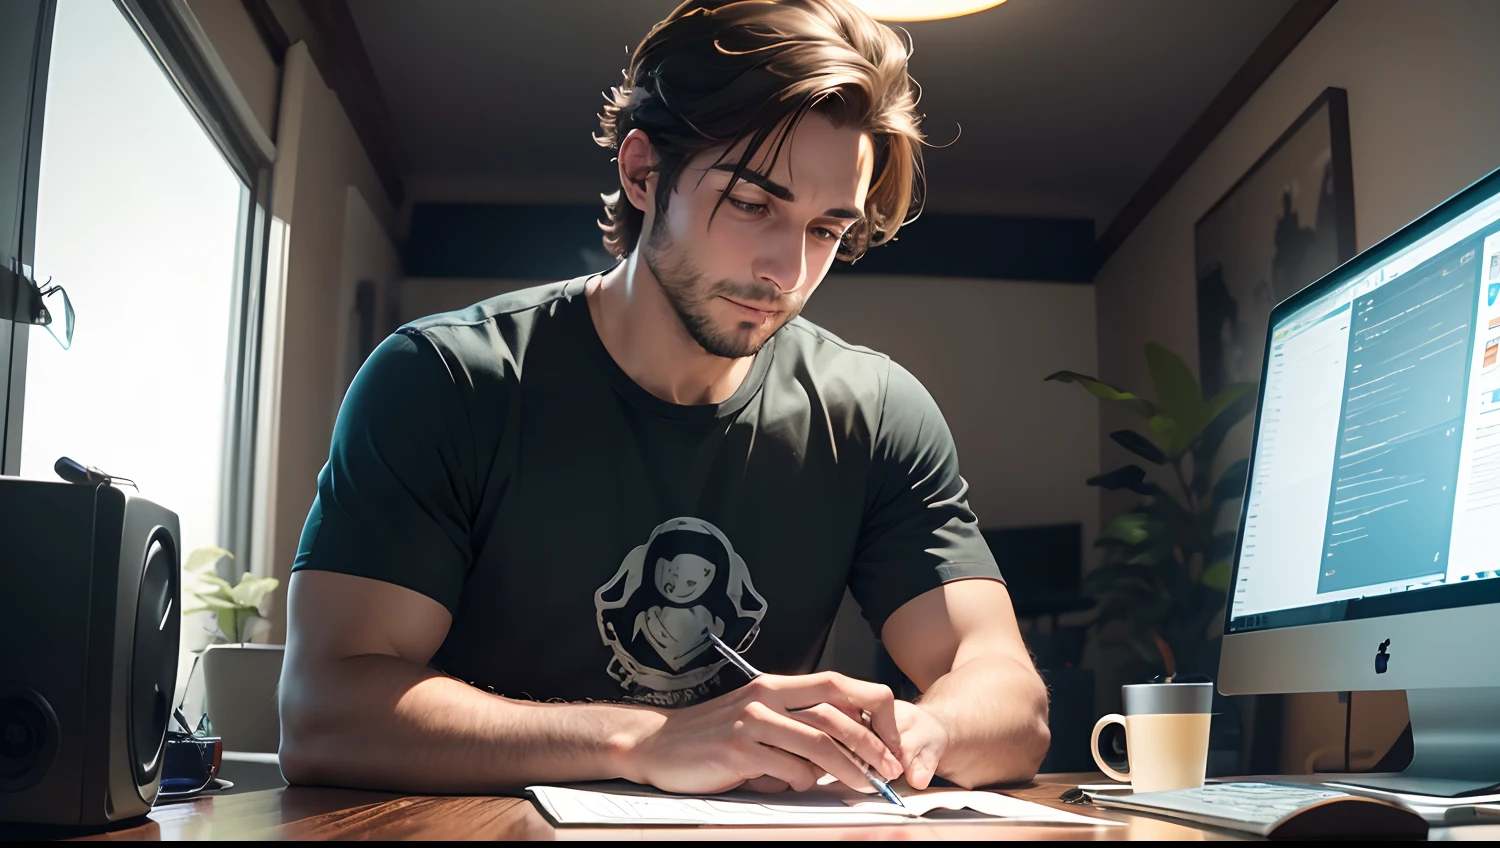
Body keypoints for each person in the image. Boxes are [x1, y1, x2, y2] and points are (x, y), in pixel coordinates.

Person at [278, 0, 1050, 797]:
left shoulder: (876, 412)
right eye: (754, 205)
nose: (788, 272)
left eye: (825, 229)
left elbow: (1009, 701)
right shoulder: (442, 379)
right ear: (644, 173)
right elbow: (325, 709)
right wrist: (642, 741)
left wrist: (928, 730)